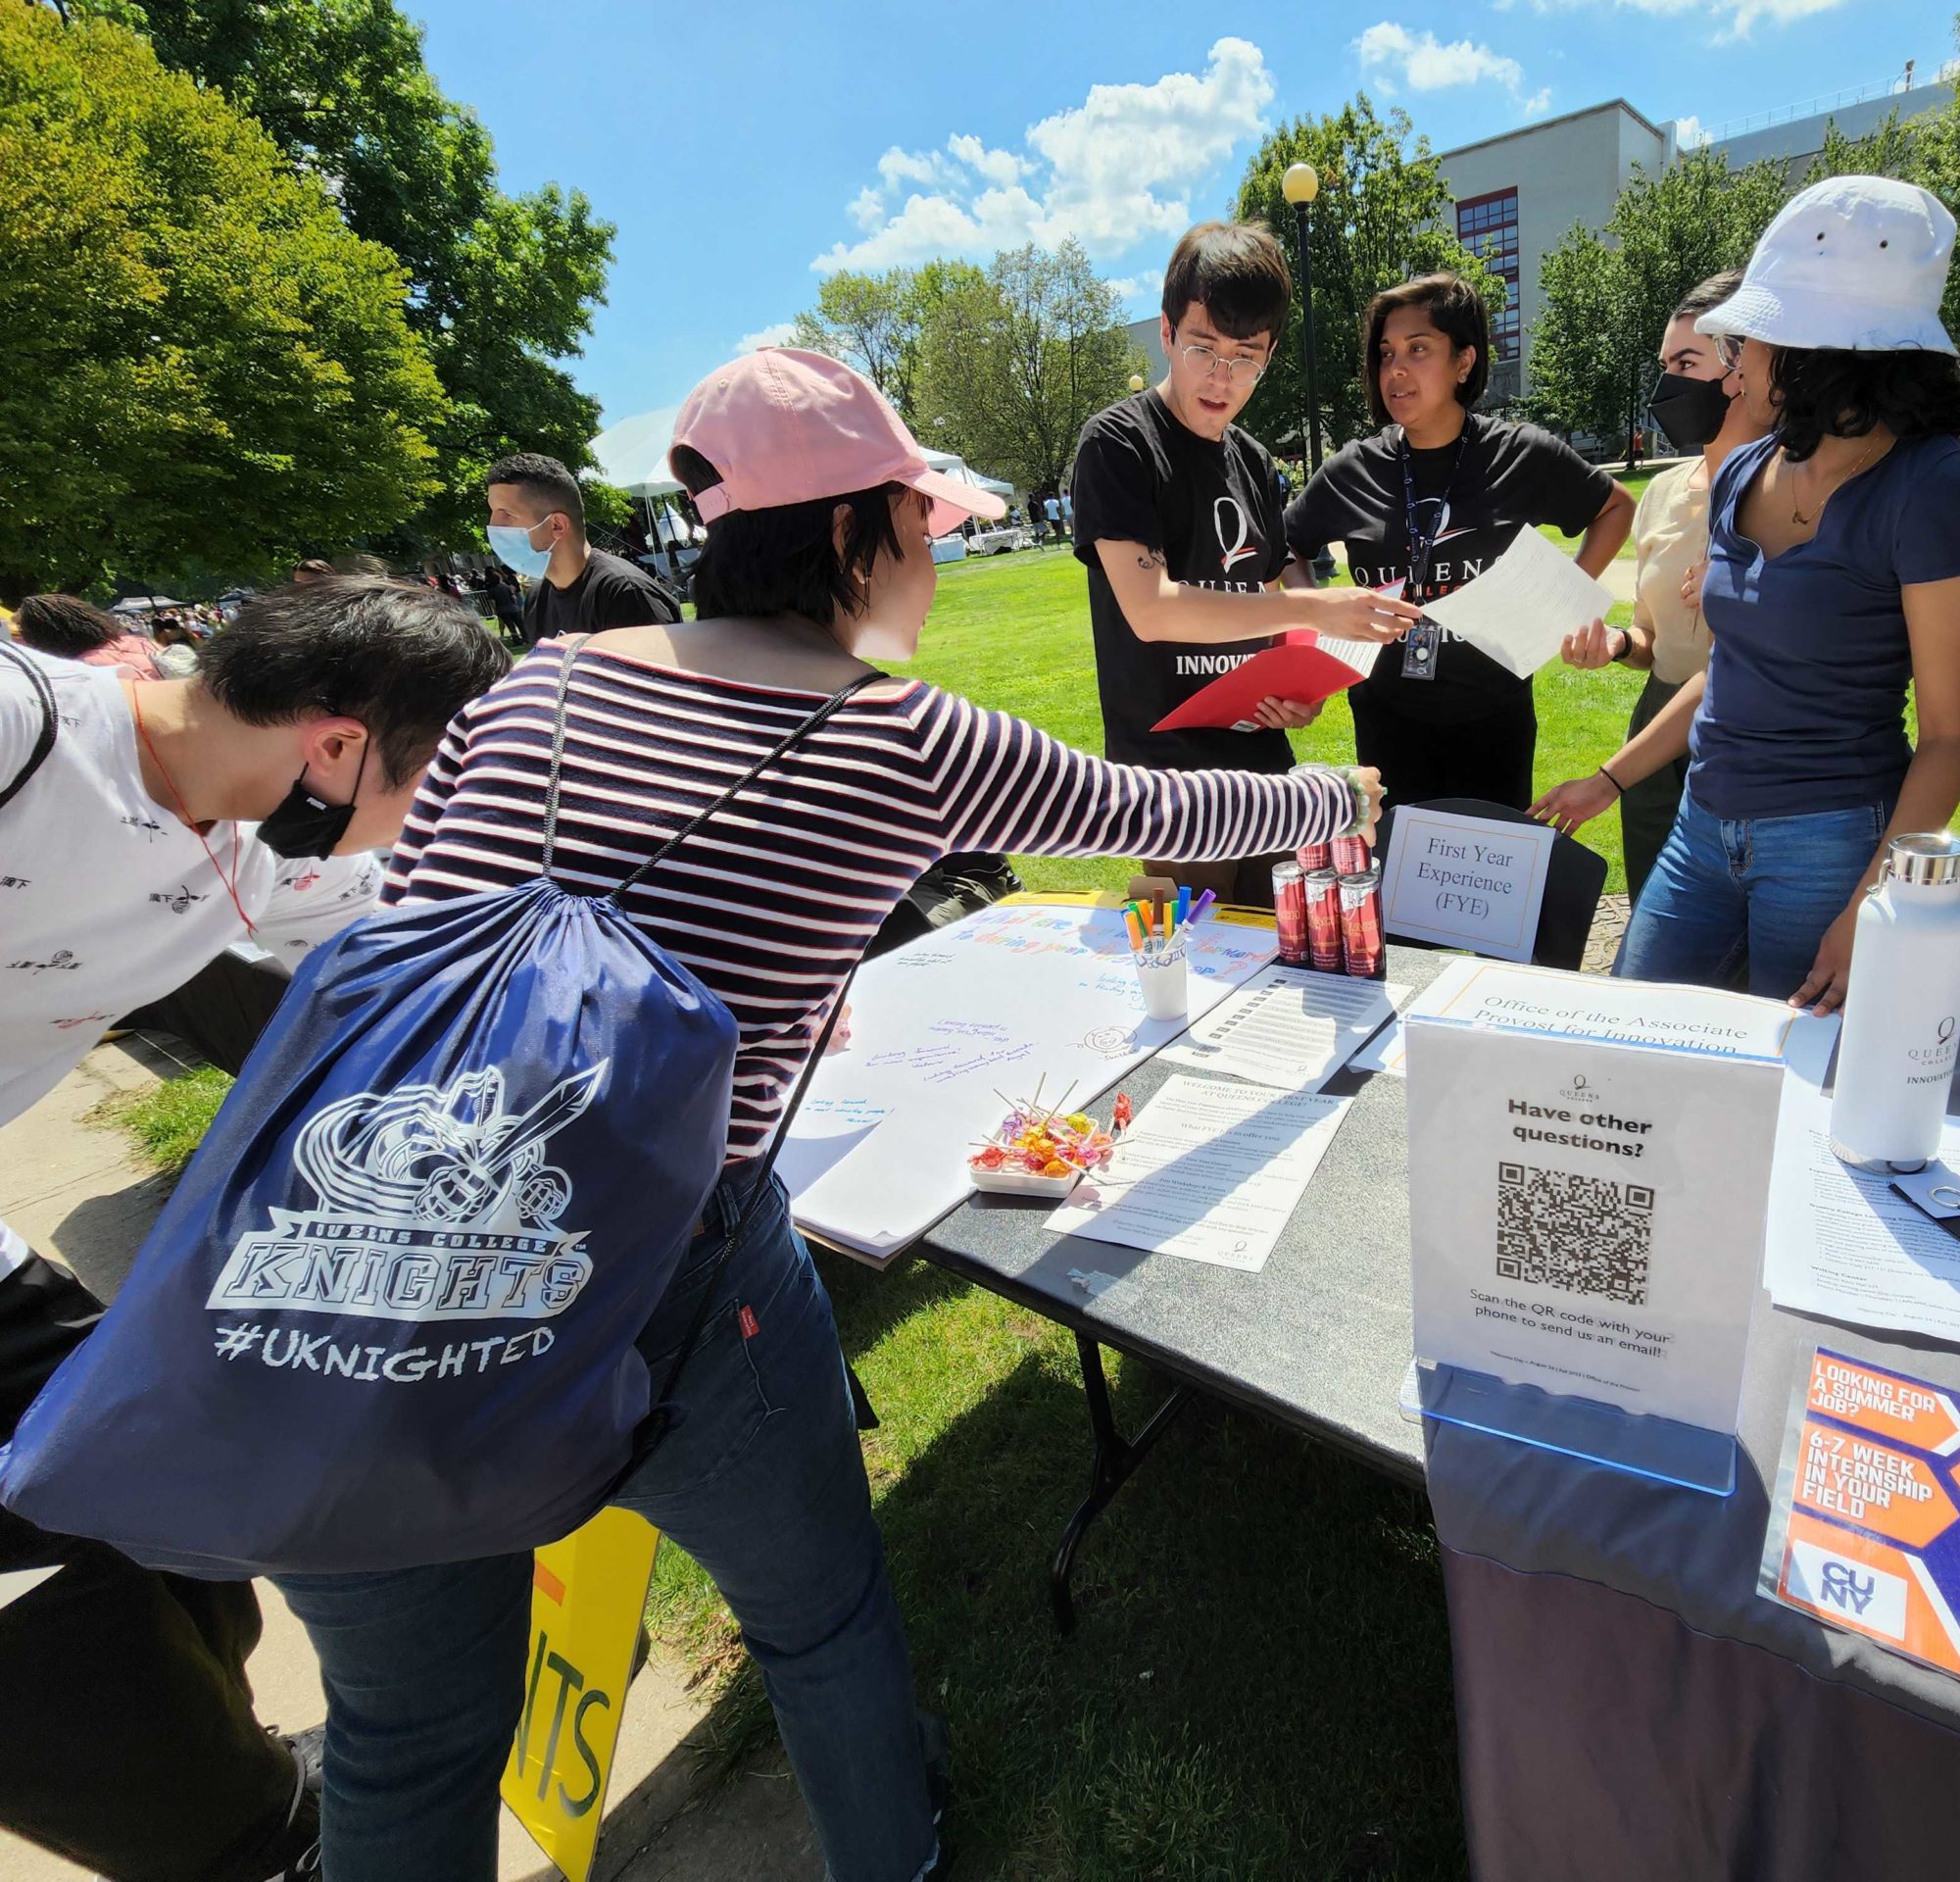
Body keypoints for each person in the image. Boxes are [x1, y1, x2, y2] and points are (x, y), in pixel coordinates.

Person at [271, 345, 1382, 1882]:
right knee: (822, 1614)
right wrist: (1338, 796)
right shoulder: (898, 734)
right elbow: (1156, 810)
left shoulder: (538, 680)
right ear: (851, 532)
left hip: (366, 1269)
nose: (935, 558)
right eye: (920, 524)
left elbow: (432, 927)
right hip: (666, 1272)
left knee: (405, 1744)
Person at [0, 575, 508, 1882]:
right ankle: (243, 1842)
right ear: (335, 744)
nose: (426, 812)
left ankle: (238, 1777)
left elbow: (440, 899)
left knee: (156, 1491)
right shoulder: (23, 729)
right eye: (431, 779)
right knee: (51, 1606)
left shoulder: (253, 849)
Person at [1605, 175, 1960, 1012]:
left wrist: (1871, 904)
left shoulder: (1934, 486)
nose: (1733, 362)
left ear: (1823, 351)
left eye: (1751, 337)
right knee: (1631, 1036)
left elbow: (1951, 736)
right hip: (1700, 827)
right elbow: (1728, 670)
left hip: (1831, 843)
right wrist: (1610, 779)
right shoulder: (1743, 468)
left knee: (1794, 1086)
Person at [1070, 221, 1418, 903]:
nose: (1222, 378)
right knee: (1195, 975)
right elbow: (1151, 609)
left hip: (1261, 768)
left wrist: (1300, 689)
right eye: (1204, 348)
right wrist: (1318, 604)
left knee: (1285, 959)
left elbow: (1262, 610)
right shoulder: (1118, 443)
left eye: (1247, 357)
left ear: (1270, 354)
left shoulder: (1255, 463)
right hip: (1170, 784)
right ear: (1167, 334)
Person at [1284, 272, 1635, 815]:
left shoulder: (1521, 453)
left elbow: (1615, 507)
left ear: (1464, 361)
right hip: (1387, 719)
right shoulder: (1352, 469)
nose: (1395, 369)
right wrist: (1314, 626)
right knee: (1397, 879)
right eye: (1385, 353)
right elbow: (1287, 547)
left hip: (1493, 717)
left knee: (1486, 884)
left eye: (1418, 349)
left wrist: (1560, 600)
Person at [1531, 270, 1767, 894]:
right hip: (1656, 728)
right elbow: (1651, 638)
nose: (1669, 384)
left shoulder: (1797, 493)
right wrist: (1617, 644)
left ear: (1747, 366)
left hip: (1747, 743)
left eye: (1687, 362)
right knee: (1655, 921)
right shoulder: (1663, 493)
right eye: (1665, 364)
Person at [484, 451, 682, 644]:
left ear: (557, 525)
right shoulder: (537, 599)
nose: (493, 526)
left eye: (506, 514)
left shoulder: (626, 594)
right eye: (493, 513)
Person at [9, 591, 160, 676]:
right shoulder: (141, 643)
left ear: (46, 633)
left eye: (23, 631)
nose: (21, 638)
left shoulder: (83, 670)